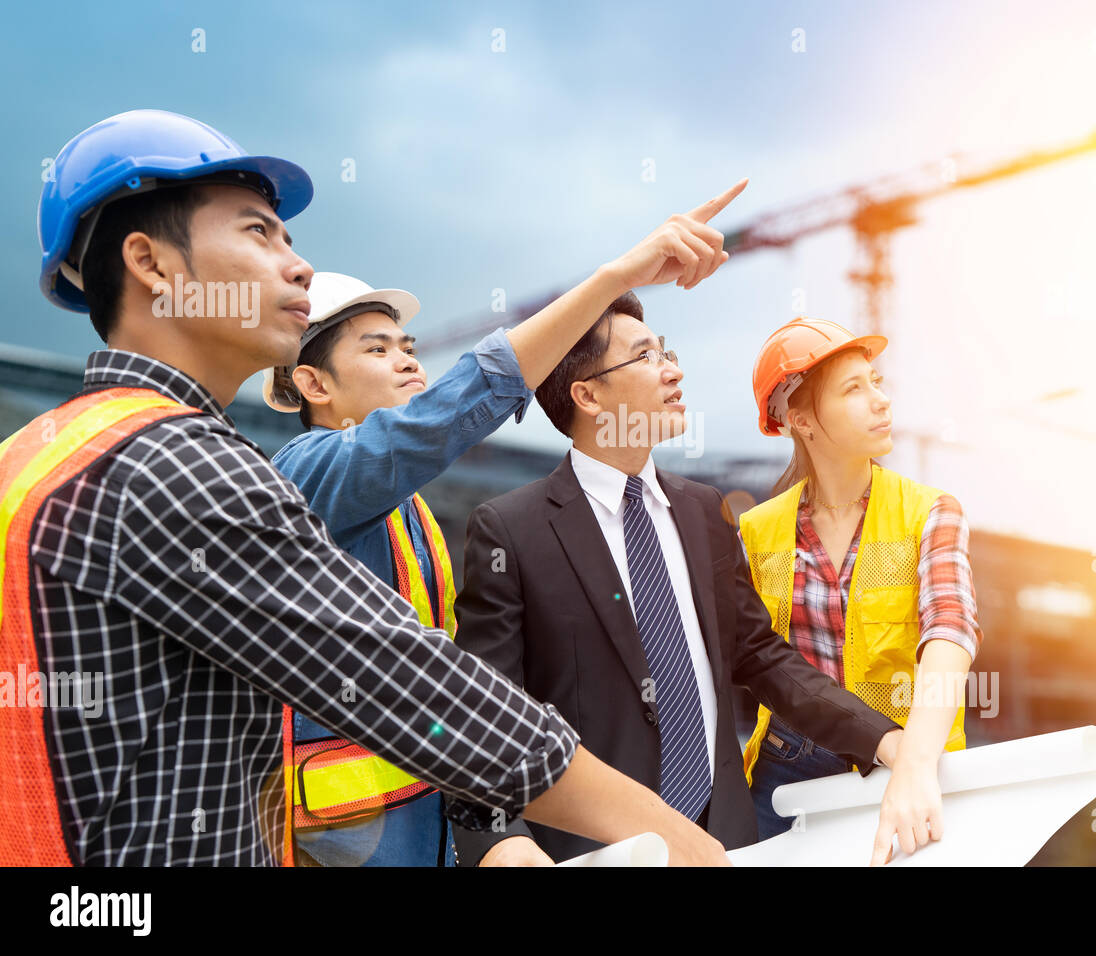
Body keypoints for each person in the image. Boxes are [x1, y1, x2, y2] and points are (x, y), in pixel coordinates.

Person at [0, 108, 731, 866]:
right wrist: (681, 843)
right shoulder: (179, 467)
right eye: (258, 231)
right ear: (152, 264)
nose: (297, 264)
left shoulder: (47, 454)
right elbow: (417, 682)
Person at [265, 173, 745, 869]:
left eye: (406, 343)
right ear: (313, 385)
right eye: (375, 348)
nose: (405, 357)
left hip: (418, 830)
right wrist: (613, 278)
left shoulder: (408, 512)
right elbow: (438, 421)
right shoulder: (307, 477)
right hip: (344, 842)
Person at [447, 292, 916, 866]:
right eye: (645, 357)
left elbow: (759, 656)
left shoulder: (701, 509)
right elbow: (480, 709)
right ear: (588, 395)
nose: (674, 370)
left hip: (724, 841)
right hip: (591, 852)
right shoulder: (511, 532)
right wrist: (500, 842)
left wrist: (881, 737)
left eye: (665, 351)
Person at [741, 316, 985, 864]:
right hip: (787, 768)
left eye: (877, 381)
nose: (881, 401)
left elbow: (950, 629)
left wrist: (916, 765)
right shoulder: (757, 530)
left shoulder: (930, 511)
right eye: (855, 388)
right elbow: (750, 657)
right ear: (800, 418)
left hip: (908, 757)